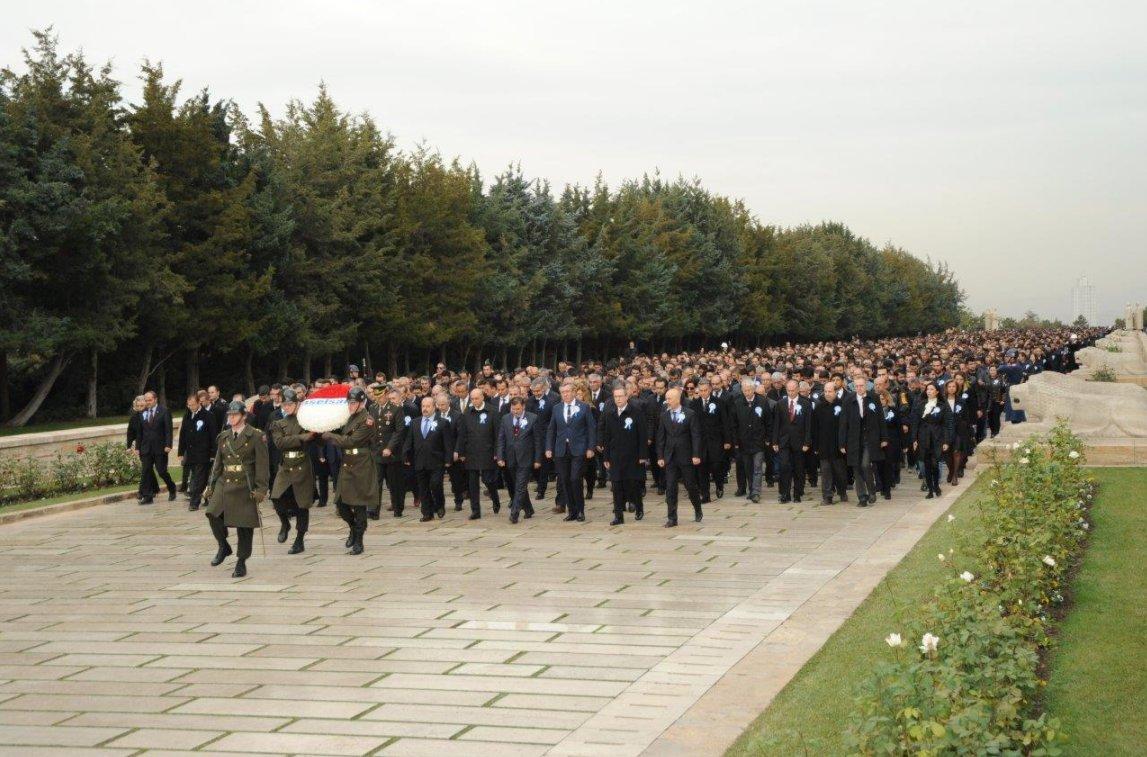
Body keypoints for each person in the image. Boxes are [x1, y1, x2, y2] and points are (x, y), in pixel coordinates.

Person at [203, 400, 269, 577]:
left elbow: (262, 465)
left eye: (235, 415)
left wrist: (261, 489)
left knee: (243, 525)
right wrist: (210, 485)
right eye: (229, 415)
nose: (231, 418)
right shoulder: (224, 436)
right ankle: (223, 546)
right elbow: (217, 463)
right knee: (212, 513)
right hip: (224, 482)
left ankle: (241, 561)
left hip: (244, 484)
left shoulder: (256, 436)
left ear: (244, 416)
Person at [323, 387, 378, 554]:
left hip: (361, 465)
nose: (350, 405)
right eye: (349, 402)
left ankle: (359, 541)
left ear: (362, 403)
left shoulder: (367, 420)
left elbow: (352, 441)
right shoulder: (348, 417)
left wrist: (330, 436)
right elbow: (339, 431)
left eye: (353, 403)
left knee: (359, 505)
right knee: (341, 503)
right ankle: (353, 528)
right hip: (347, 464)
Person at [268, 388, 315, 554]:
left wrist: (309, 435)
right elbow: (279, 443)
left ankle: (299, 539)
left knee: (302, 505)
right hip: (286, 465)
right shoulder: (278, 423)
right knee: (276, 497)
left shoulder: (306, 420)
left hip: (302, 465)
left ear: (296, 404)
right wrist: (302, 437)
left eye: (290, 404)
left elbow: (314, 438)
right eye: (284, 405)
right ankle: (285, 524)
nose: (287, 407)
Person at [546, 382, 597, 523]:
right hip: (561, 449)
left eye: (568, 391)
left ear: (574, 392)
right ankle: (572, 511)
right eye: (563, 392)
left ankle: (580, 510)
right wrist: (549, 448)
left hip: (578, 449)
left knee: (575, 479)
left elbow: (591, 428)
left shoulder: (584, 407)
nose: (565, 394)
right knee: (565, 480)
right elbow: (551, 429)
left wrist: (591, 448)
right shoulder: (557, 408)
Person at [599, 384, 648, 525]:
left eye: (621, 396)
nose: (618, 399)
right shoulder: (610, 413)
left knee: (633, 484)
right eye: (616, 396)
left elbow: (642, 435)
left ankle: (639, 507)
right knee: (616, 485)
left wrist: (643, 455)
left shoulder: (636, 412)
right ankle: (618, 516)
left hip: (633, 456)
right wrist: (606, 457)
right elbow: (607, 436)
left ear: (627, 396)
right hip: (615, 456)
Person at [656, 386, 703, 527]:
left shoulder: (690, 414)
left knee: (690, 485)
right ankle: (672, 518)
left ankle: (697, 508)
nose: (667, 401)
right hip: (670, 457)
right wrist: (660, 456)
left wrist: (696, 454)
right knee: (670, 487)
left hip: (686, 456)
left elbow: (696, 436)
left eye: (669, 399)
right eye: (666, 399)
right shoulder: (664, 415)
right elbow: (661, 438)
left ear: (677, 399)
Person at [839, 378, 888, 507]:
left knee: (865, 465)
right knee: (856, 467)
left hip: (869, 438)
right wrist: (842, 443)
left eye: (861, 386)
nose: (859, 388)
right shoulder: (848, 400)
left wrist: (884, 438)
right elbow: (843, 422)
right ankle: (862, 497)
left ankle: (871, 491)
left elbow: (880, 418)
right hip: (854, 438)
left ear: (866, 386)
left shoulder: (873, 397)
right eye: (857, 386)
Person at [454, 388, 502, 520]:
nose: (474, 401)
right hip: (471, 452)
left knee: (488, 480)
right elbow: (462, 434)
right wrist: (461, 451)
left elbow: (498, 434)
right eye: (472, 399)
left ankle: (495, 498)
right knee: (472, 483)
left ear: (482, 397)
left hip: (488, 451)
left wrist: (497, 452)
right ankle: (475, 510)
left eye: (477, 398)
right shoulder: (467, 412)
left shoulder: (492, 411)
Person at [496, 396, 543, 523]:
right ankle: (528, 509)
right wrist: (500, 456)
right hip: (511, 457)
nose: (515, 411)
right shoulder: (505, 418)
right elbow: (501, 439)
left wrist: (538, 459)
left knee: (520, 485)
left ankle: (514, 513)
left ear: (523, 407)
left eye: (518, 409)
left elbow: (538, 441)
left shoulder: (533, 418)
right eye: (513, 409)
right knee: (518, 485)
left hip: (526, 458)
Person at [405, 396, 449, 521]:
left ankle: (439, 504)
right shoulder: (415, 422)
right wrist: (406, 455)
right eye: (423, 406)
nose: (425, 408)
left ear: (434, 407)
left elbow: (447, 443)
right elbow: (409, 441)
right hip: (420, 460)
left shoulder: (442, 422)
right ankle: (427, 513)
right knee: (423, 488)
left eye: (428, 406)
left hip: (436, 461)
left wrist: (448, 459)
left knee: (435, 484)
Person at [369, 384, 407, 518]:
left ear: (386, 394)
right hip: (377, 452)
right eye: (376, 397)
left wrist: (390, 447)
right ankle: (374, 511)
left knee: (394, 483)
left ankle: (398, 508)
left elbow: (399, 431)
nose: (378, 399)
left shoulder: (396, 409)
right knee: (376, 482)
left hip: (392, 453)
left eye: (380, 396)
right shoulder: (372, 408)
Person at [729, 378, 770, 503]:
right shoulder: (737, 402)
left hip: (758, 440)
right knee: (748, 468)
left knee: (757, 467)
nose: (747, 393)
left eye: (749, 390)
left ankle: (756, 492)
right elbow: (733, 424)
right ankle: (751, 489)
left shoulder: (762, 401)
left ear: (753, 389)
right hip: (744, 442)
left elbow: (768, 421)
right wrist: (735, 441)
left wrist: (768, 438)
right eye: (745, 390)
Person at [691, 379, 732, 503]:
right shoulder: (694, 404)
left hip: (716, 440)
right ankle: (705, 495)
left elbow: (725, 422)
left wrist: (727, 440)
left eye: (705, 390)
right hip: (701, 442)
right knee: (702, 468)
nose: (703, 393)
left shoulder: (719, 402)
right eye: (701, 390)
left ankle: (719, 484)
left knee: (716, 466)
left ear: (710, 389)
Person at [132, 390, 176, 505]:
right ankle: (148, 496)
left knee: (161, 471)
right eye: (146, 400)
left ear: (155, 399)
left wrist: (168, 444)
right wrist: (137, 447)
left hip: (160, 447)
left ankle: (171, 487)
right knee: (146, 471)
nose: (148, 402)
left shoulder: (164, 411)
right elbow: (140, 432)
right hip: (146, 448)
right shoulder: (142, 412)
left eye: (150, 400)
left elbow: (168, 430)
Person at [771, 380, 812, 503]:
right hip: (784, 441)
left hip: (799, 442)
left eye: (793, 390)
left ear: (798, 389)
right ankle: (784, 493)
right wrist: (775, 441)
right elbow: (776, 424)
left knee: (798, 468)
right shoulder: (780, 404)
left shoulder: (806, 404)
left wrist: (807, 442)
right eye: (788, 390)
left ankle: (797, 493)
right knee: (784, 467)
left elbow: (808, 424)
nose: (791, 392)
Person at [912, 382, 953, 499]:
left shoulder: (942, 406)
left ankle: (936, 486)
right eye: (927, 389)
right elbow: (915, 423)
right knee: (926, 465)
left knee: (935, 464)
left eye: (931, 389)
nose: (929, 391)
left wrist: (946, 441)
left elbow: (946, 424)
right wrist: (914, 439)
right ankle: (930, 490)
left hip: (937, 437)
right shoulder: (920, 404)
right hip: (923, 437)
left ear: (937, 392)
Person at [178, 392, 217, 512]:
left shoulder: (207, 415)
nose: (191, 407)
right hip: (191, 453)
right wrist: (181, 452)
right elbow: (183, 434)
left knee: (198, 477)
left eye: (193, 405)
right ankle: (207, 497)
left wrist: (213, 453)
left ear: (199, 402)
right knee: (199, 477)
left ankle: (194, 502)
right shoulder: (187, 415)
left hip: (203, 452)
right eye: (189, 405)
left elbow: (213, 435)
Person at [810, 381, 848, 505]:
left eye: (830, 391)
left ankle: (842, 491)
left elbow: (846, 426)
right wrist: (815, 446)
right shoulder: (819, 407)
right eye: (825, 391)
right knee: (826, 472)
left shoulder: (843, 405)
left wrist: (844, 444)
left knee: (839, 471)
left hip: (838, 446)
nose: (827, 394)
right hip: (824, 446)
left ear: (835, 392)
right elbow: (815, 428)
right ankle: (827, 496)